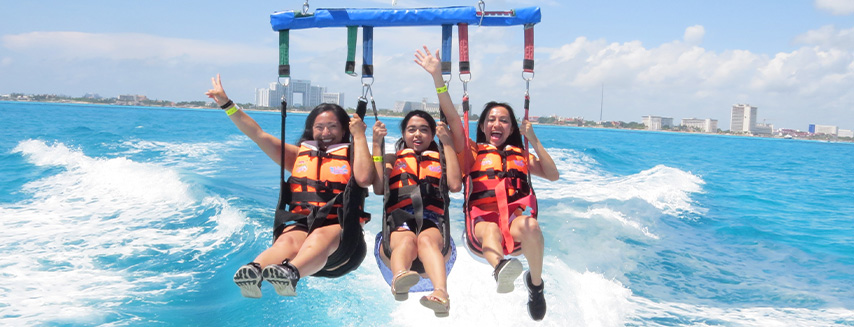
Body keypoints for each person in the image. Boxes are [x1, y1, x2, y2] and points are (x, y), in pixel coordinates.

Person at [414, 46, 559, 321]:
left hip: (514, 224)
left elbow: (553, 175)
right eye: (491, 119)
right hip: (480, 228)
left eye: (504, 120)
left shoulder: (521, 155)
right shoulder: (472, 153)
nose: (497, 123)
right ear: (482, 127)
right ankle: (500, 268)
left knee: (531, 225)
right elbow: (454, 120)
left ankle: (536, 285)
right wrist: (437, 78)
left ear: (512, 128)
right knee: (490, 228)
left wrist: (535, 140)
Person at [206, 74, 374, 298]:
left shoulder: (353, 155)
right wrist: (227, 104)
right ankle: (255, 270)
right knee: (286, 240)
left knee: (318, 237)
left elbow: (364, 179)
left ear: (344, 130)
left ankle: (291, 272)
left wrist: (360, 136)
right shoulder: (297, 156)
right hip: (303, 223)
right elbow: (257, 135)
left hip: (343, 239)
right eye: (319, 127)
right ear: (311, 130)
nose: (325, 133)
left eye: (332, 127)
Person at [371, 110, 461, 317]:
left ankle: (441, 294)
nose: (417, 134)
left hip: (432, 219)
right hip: (400, 218)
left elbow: (455, 185)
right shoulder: (392, 159)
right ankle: (400, 277)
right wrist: (376, 144)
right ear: (403, 134)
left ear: (432, 135)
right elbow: (377, 187)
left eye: (424, 130)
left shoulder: (442, 159)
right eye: (411, 130)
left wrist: (447, 142)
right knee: (406, 242)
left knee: (427, 241)